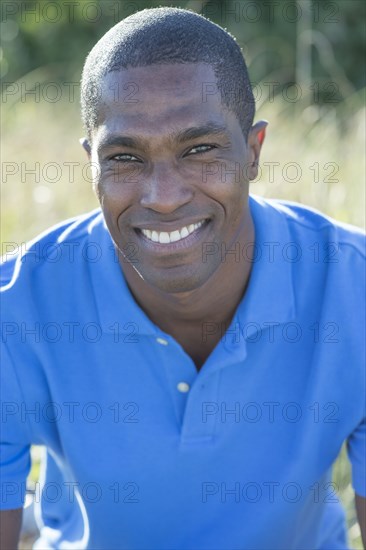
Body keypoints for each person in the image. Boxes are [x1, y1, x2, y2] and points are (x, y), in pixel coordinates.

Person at [1, 7, 365, 549]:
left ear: (254, 152)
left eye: (200, 150)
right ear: (91, 166)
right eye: (124, 157)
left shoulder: (353, 293)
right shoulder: (17, 307)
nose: (164, 196)